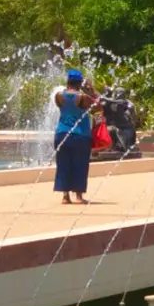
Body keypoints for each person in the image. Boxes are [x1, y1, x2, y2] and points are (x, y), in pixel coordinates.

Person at [52, 69, 98, 205]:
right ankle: (78, 196)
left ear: (68, 81)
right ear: (80, 83)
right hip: (80, 134)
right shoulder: (83, 97)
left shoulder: (58, 96)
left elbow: (63, 108)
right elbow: (99, 107)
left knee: (63, 164)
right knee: (80, 164)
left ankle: (65, 196)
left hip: (61, 134)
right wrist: (92, 91)